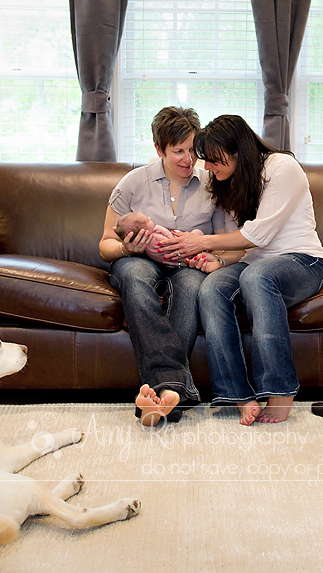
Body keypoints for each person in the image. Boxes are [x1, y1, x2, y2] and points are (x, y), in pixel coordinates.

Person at [159, 115, 323, 425]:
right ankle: (237, 393)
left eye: (212, 159)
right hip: (255, 264)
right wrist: (220, 261)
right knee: (210, 289)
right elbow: (247, 248)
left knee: (257, 276)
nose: (206, 167)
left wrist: (199, 244)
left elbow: (259, 235)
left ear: (237, 150)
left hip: (303, 261)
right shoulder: (232, 179)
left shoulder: (282, 168)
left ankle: (280, 391)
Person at [98, 107, 224, 426]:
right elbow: (104, 245)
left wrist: (203, 248)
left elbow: (227, 238)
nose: (187, 159)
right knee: (135, 275)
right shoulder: (133, 183)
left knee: (192, 287)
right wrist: (126, 248)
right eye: (177, 151)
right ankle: (175, 388)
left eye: (192, 150)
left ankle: (163, 397)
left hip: (189, 266)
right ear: (159, 150)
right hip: (138, 260)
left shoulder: (213, 184)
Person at [114, 211, 204, 266]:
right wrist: (166, 231)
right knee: (197, 232)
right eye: (147, 220)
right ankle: (203, 249)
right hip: (181, 249)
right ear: (143, 231)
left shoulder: (145, 246)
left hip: (171, 261)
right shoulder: (155, 236)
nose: (150, 218)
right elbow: (170, 240)